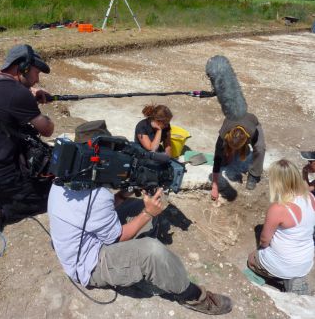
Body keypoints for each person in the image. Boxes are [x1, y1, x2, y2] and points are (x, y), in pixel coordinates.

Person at [48, 184, 232, 315]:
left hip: (86, 242)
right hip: (89, 266)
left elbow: (91, 213)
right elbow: (117, 237)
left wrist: (122, 195)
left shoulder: (62, 181)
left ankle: (143, 267)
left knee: (137, 206)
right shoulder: (98, 195)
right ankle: (193, 297)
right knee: (151, 251)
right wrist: (149, 213)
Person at [0, 44, 54, 242]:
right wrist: (31, 102)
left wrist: (29, 95)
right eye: (36, 72)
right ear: (22, 67)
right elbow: (48, 129)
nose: (37, 79)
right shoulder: (16, 94)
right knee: (56, 194)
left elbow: (2, 103)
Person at [247, 159, 315, 294]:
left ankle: (281, 279)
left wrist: (261, 249)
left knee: (251, 259)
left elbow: (265, 240)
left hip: (284, 263)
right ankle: (293, 278)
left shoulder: (278, 208)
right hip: (305, 262)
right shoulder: (312, 198)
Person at [211, 112, 266, 200]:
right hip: (232, 124)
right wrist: (215, 186)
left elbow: (257, 146)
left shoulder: (252, 131)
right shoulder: (224, 133)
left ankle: (254, 175)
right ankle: (229, 152)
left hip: (252, 122)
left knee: (260, 149)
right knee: (222, 157)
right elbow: (217, 157)